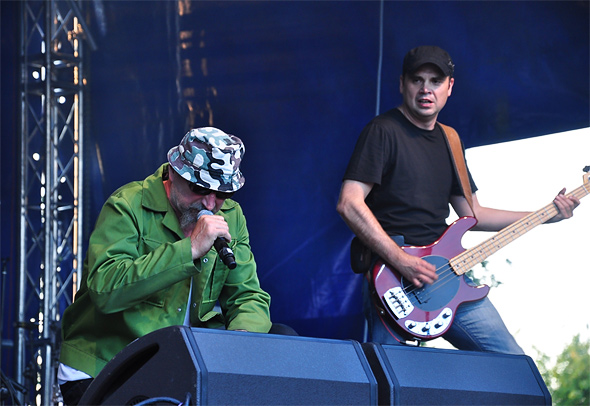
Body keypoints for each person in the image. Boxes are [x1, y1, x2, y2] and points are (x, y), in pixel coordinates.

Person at [336, 45, 580, 353]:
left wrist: (546, 215)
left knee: (511, 362)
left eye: (436, 81)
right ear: (402, 84)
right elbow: (349, 203)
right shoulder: (382, 130)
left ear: (449, 86)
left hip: (446, 275)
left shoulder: (450, 140)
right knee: (389, 374)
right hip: (394, 279)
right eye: (417, 80)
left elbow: (473, 213)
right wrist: (402, 261)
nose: (426, 89)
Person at [58, 127, 295, 406]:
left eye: (222, 194)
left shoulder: (232, 216)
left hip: (178, 365)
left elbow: (247, 296)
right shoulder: (128, 204)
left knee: (282, 339)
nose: (210, 203)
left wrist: (240, 343)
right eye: (199, 189)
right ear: (173, 172)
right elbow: (105, 290)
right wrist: (189, 250)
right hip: (107, 365)